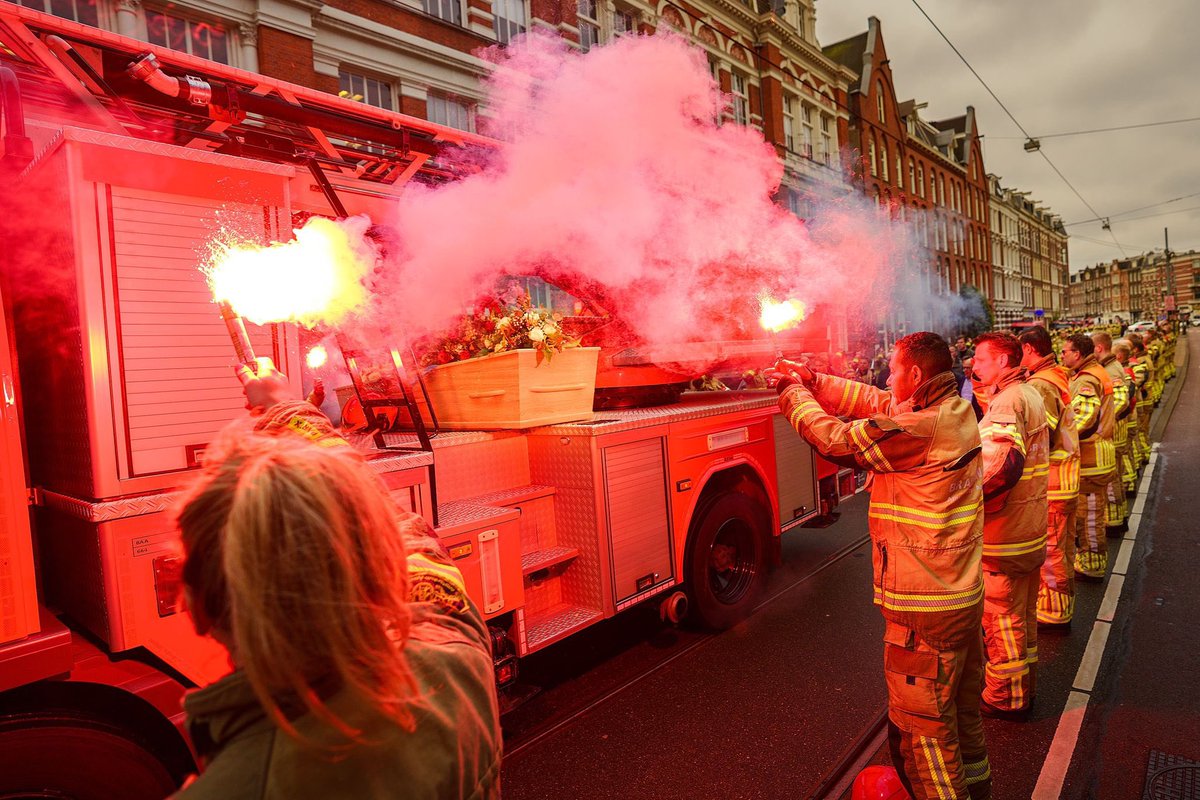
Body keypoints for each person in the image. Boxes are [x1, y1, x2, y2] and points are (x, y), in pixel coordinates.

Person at [173, 358, 503, 800]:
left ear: (197, 608)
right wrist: (288, 409)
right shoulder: (451, 656)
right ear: (373, 562)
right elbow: (395, 528)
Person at [773, 332, 990, 800]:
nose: (888, 379)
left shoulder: (917, 430)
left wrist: (791, 393)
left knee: (922, 737)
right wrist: (814, 379)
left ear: (915, 375)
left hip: (923, 608)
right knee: (961, 716)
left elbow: (835, 441)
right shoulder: (952, 410)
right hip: (959, 596)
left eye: (894, 370)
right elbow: (875, 399)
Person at [970, 333, 1049, 720]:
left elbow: (999, 465)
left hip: (1005, 533)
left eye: (981, 360)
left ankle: (1007, 697)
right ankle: (1024, 685)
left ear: (1003, 361)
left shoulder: (1008, 400)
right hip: (1029, 528)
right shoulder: (1029, 393)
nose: (974, 366)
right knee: (1022, 615)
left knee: (1001, 619)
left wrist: (963, 499)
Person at [1018, 327, 1081, 628]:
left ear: (1029, 350)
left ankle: (1054, 614)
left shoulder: (1042, 385)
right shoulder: (1054, 375)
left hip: (1054, 481)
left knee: (1053, 547)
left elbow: (1041, 436)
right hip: (1064, 478)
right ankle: (1062, 606)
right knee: (1063, 545)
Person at [1060, 334, 1117, 580]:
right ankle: (1091, 560)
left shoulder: (1088, 379)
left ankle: (1093, 565)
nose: (1062, 355)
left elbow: (1083, 418)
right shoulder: (1094, 372)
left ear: (1077, 353)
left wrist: (1058, 438)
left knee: (1090, 515)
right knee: (1089, 513)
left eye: (1065, 352)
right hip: (1097, 453)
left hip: (1092, 457)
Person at [1092, 332, 1134, 535]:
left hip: (1114, 431)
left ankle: (1116, 521)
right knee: (1114, 476)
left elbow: (1120, 401)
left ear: (1099, 348)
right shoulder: (1110, 367)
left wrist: (1102, 421)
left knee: (1112, 478)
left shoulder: (1111, 370)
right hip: (1114, 429)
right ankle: (1117, 516)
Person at [1127, 334, 1153, 468]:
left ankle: (1143, 456)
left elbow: (1136, 384)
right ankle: (1143, 454)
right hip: (1145, 399)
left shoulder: (1139, 363)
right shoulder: (1142, 360)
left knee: (1141, 431)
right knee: (1141, 431)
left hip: (1142, 401)